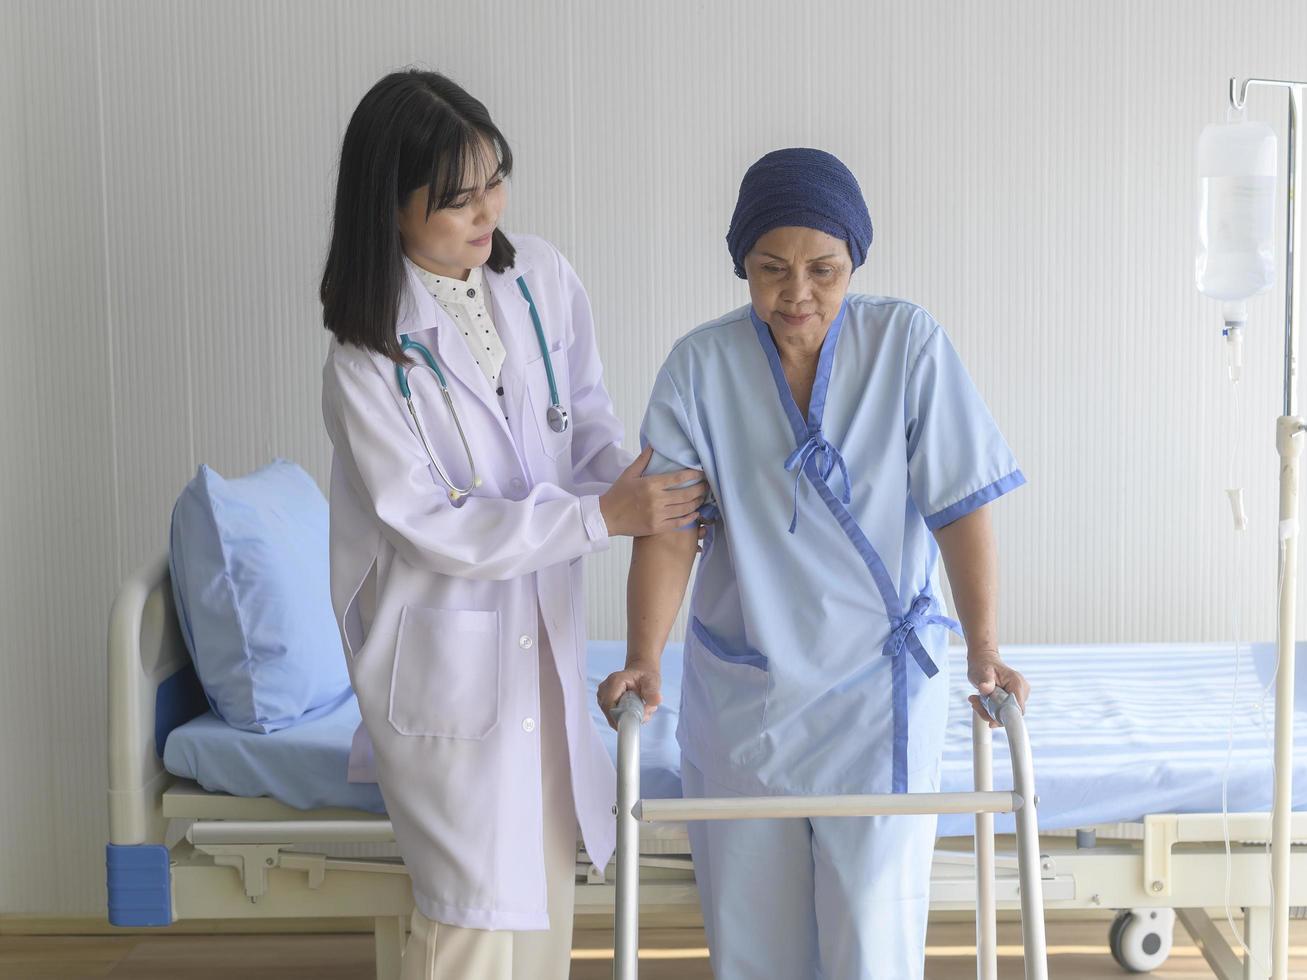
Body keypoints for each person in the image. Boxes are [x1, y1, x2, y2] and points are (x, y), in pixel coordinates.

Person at [599, 147, 1030, 979]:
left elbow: (960, 507)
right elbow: (667, 528)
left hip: (879, 701)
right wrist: (643, 659)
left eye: (823, 270)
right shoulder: (701, 367)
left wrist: (982, 648)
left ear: (854, 262)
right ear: (741, 265)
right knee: (751, 939)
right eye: (771, 269)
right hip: (749, 698)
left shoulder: (907, 344)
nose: (797, 293)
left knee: (872, 935)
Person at [318, 69, 706, 979]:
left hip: (539, 653)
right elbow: (432, 526)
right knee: (472, 934)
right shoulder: (365, 357)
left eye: (495, 178)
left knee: (537, 922)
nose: (486, 209)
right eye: (456, 198)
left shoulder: (539, 277)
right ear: (392, 205)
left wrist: (644, 485)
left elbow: (586, 428)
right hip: (449, 676)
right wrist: (600, 518)